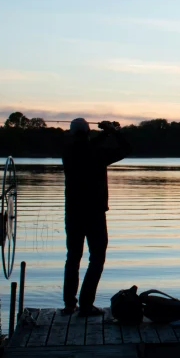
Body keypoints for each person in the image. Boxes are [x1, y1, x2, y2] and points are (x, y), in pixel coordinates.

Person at [61, 118, 131, 316]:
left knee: (73, 258)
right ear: (89, 132)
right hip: (94, 214)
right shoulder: (98, 153)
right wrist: (113, 131)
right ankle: (85, 304)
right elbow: (126, 148)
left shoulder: (67, 151)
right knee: (97, 258)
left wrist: (105, 133)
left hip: (73, 213)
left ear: (72, 133)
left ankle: (69, 304)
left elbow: (83, 144)